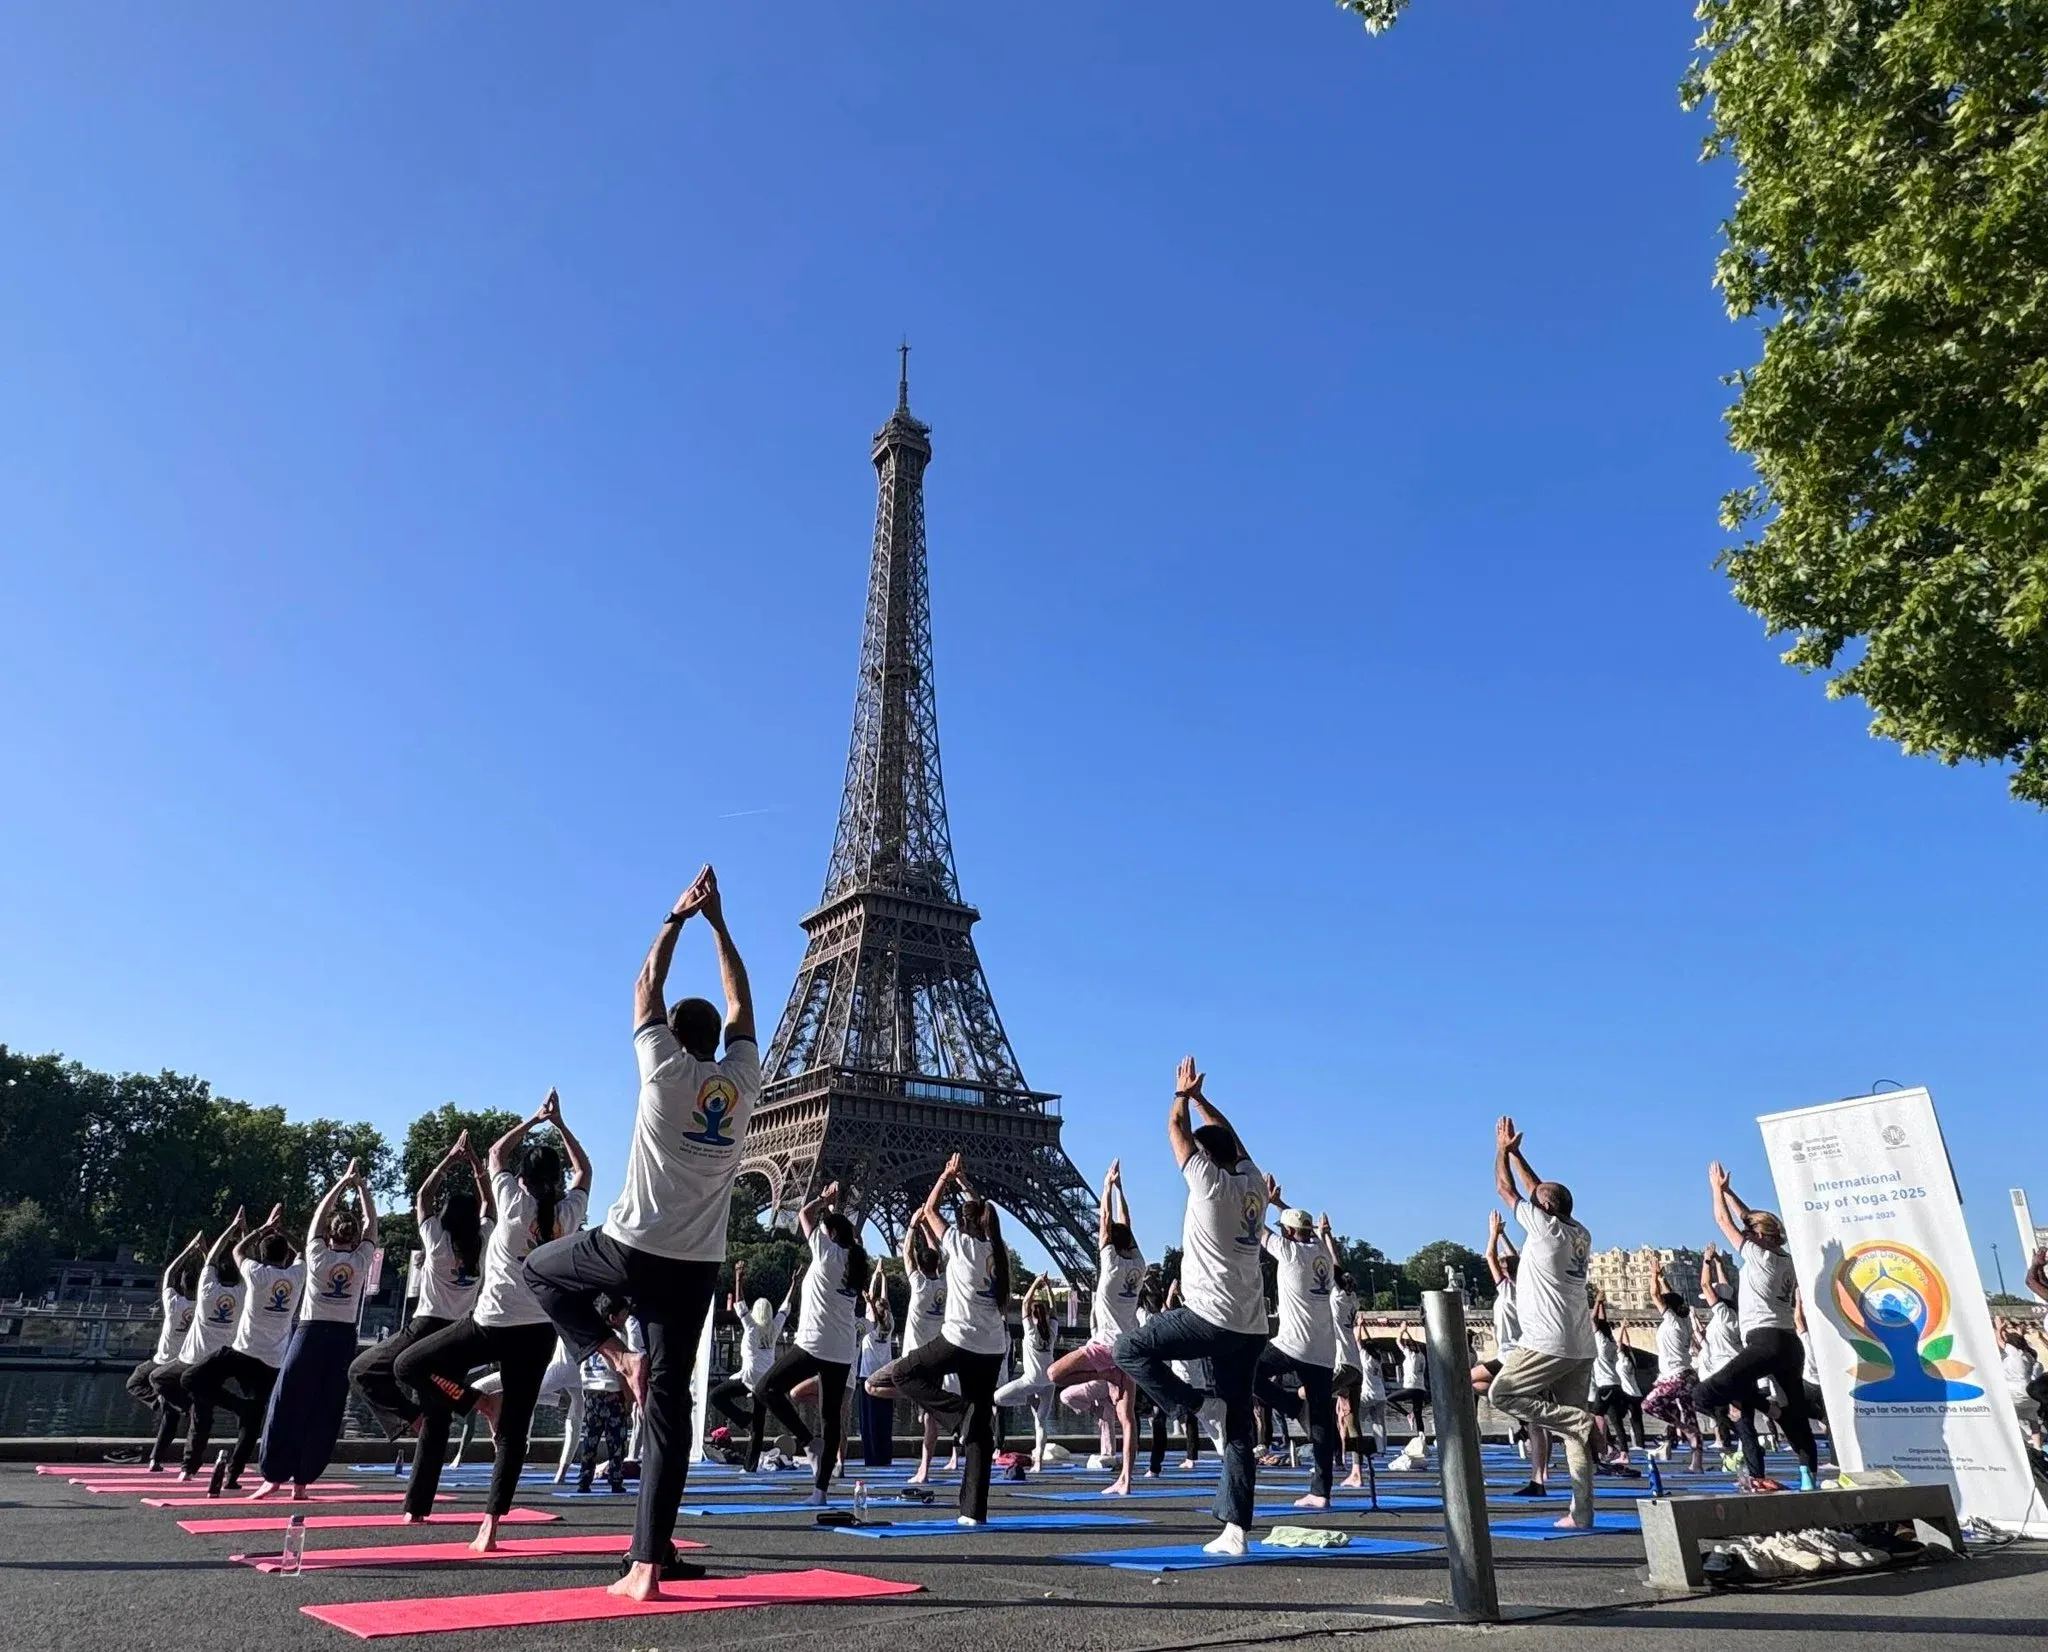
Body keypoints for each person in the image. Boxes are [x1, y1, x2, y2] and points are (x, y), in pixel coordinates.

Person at [525, 864, 759, 1600]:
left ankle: (608, 1350)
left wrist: (679, 916)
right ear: (715, 1040)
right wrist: (722, 923)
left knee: (539, 1271)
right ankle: (649, 1563)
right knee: (670, 1414)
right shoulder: (744, 1082)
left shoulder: (662, 1072)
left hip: (629, 1248)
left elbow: (641, 985)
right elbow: (742, 999)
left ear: (672, 1036)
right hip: (696, 1266)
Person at [395, 1091, 592, 1549]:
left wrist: (536, 1118)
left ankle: (476, 1402)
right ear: (555, 1182)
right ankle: (491, 1525)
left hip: (490, 1324)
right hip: (538, 1334)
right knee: (514, 1434)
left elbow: (495, 1153)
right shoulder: (568, 1214)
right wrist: (561, 1125)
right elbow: (583, 1172)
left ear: (521, 1180)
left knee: (409, 1365)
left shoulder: (511, 1204)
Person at [1113, 1056, 1271, 1557]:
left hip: (1209, 1313)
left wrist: (1182, 1095)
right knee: (1240, 1429)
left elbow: (1176, 1128)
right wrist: (1204, 1100)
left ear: (1206, 1156)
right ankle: (1235, 1531)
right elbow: (1233, 1138)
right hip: (1250, 1324)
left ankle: (1195, 1406)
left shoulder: (1208, 1183)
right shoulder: (1255, 1187)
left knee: (1129, 1348)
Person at [866, 1153, 1011, 1526]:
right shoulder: (999, 1251)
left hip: (959, 1339)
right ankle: (973, 1512)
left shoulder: (961, 1245)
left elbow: (930, 1208)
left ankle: (958, 1414)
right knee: (980, 1432)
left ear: (964, 1224)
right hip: (992, 1346)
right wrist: (965, 1184)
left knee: (904, 1374)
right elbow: (983, 1216)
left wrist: (946, 1177)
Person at [1483, 1115, 1598, 1529]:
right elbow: (1538, 1191)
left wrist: (1500, 1151)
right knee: (1573, 1438)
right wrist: (1518, 1152)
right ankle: (1581, 1513)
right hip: (1582, 1344)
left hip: (1547, 1339)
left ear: (1545, 1209)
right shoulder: (1579, 1231)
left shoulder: (1544, 1228)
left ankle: (1577, 1420)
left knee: (1502, 1394)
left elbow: (1507, 1190)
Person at [351, 1131, 491, 1443]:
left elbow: (423, 1198)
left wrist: (451, 1159)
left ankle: (423, 1415)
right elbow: (489, 1206)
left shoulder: (439, 1243)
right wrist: (477, 1168)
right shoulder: (483, 1242)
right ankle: (453, 1413)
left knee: (362, 1370)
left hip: (428, 1324)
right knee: (438, 1397)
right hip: (461, 1329)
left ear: (447, 1218)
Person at [250, 1162, 378, 1499]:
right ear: (353, 1237)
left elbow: (319, 1217)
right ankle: (302, 1482)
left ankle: (274, 1475)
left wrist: (342, 1182)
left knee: (287, 1400)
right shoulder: (362, 1258)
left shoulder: (317, 1252)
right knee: (327, 1406)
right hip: (342, 1336)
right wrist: (362, 1188)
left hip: (310, 1332)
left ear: (332, 1234)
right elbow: (372, 1224)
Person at [1692, 1162, 1818, 1491]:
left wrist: (1716, 1191)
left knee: (1704, 1394)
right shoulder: (1785, 1258)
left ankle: (1762, 1409)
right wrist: (1732, 1192)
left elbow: (1724, 1222)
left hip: (1764, 1341)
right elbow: (1751, 1221)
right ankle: (1808, 1478)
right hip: (1790, 1344)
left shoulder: (1757, 1255)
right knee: (1795, 1417)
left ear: (1758, 1236)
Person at [747, 1182, 867, 1503]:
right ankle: (820, 1491)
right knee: (831, 1420)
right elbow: (853, 1240)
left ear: (830, 1235)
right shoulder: (856, 1265)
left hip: (813, 1344)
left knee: (764, 1389)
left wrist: (824, 1201)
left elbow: (803, 1213)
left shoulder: (826, 1252)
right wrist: (837, 1216)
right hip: (841, 1351)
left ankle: (805, 1440)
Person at [183, 1205, 303, 1488]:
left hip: (242, 1351)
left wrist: (258, 1228)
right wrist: (282, 1230)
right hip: (271, 1360)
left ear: (261, 1256)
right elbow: (305, 1252)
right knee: (252, 1421)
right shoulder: (296, 1277)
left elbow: (237, 1252)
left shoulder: (256, 1273)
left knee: (190, 1378)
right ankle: (232, 1476)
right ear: (285, 1256)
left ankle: (237, 1407)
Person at [1049, 1160, 1145, 1494]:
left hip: (1106, 1345)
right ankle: (1127, 1480)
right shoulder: (1138, 1265)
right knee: (1127, 1417)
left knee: (1054, 1375)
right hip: (1132, 1347)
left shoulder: (1112, 1263)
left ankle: (1103, 1375)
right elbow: (1123, 1223)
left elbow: (1104, 1221)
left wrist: (1106, 1186)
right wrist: (1120, 1190)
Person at [1254, 1196, 1343, 1509]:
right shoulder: (1321, 1253)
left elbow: (1257, 1228)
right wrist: (1282, 1204)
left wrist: (1265, 1201)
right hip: (1324, 1348)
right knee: (1320, 1419)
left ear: (1289, 1233)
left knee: (1246, 1371)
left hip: (1293, 1342)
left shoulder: (1288, 1252)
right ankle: (1321, 1492)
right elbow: (1309, 1232)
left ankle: (1290, 1403)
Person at [158, 1213, 248, 1481]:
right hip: (218, 1362)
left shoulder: (206, 1290)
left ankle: (188, 1466)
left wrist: (231, 1228)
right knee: (201, 1414)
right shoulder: (243, 1293)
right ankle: (188, 1466)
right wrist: (242, 1234)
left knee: (159, 1378)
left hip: (194, 1360)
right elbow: (244, 1260)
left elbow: (210, 1261)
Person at [131, 1231, 204, 1472]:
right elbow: (210, 1279)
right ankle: (155, 1458)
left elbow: (169, 1273)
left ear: (182, 1286)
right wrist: (205, 1254)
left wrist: (188, 1250)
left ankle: (163, 1405)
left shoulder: (174, 1302)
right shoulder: (204, 1305)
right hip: (184, 1364)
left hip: (161, 1361)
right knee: (169, 1415)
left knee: (134, 1382)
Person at [707, 1261, 792, 1432]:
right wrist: (794, 1284)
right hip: (767, 1378)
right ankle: (754, 1454)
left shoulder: (752, 1326)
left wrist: (738, 1278)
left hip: (750, 1377)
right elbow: (785, 1307)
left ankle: (743, 1418)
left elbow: (740, 1304)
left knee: (716, 1397)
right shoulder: (774, 1328)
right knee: (758, 1421)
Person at [1640, 1258, 1706, 1473]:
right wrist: (1662, 1278)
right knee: (1689, 1414)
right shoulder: (1684, 1320)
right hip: (1687, 1376)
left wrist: (1653, 1275)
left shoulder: (1672, 1321)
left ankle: (1681, 1428)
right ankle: (1697, 1463)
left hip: (1674, 1376)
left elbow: (1655, 1295)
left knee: (1649, 1405)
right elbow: (1669, 1296)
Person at [899, 1224, 948, 1484]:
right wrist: (929, 1230)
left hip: (913, 1360)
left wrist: (911, 1227)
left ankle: (923, 1405)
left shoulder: (917, 1284)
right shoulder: (943, 1286)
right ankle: (925, 1469)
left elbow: (907, 1253)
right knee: (930, 1415)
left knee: (873, 1386)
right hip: (936, 1359)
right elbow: (933, 1256)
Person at [994, 1273, 1060, 1468]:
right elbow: (1054, 1309)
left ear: (1032, 1317)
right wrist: (1047, 1288)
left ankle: (1024, 1400)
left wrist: (1036, 1282)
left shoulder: (1030, 1331)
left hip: (1030, 1380)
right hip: (1048, 1383)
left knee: (997, 1398)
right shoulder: (1052, 1331)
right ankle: (1038, 1462)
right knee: (1040, 1422)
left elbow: (1024, 1304)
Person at [576, 1303, 637, 1495]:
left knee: (590, 1439)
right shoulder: (616, 1338)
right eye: (623, 1315)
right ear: (613, 1317)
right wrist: (628, 1396)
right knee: (616, 1440)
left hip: (591, 1391)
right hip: (611, 1392)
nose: (626, 1319)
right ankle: (615, 1480)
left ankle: (584, 1480)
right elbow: (621, 1368)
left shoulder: (587, 1336)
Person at [856, 1271, 897, 1467]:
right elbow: (883, 1301)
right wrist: (883, 1279)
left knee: (869, 1422)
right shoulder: (890, 1324)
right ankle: (885, 1456)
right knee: (885, 1421)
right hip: (886, 1376)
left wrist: (875, 1278)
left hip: (868, 1377)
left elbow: (874, 1305)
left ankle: (872, 1458)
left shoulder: (870, 1325)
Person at [1328, 1267, 1363, 1479]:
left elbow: (1331, 1267)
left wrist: (1324, 1239)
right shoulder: (1352, 1300)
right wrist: (1327, 1235)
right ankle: (1356, 1470)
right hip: (1356, 1365)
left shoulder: (1336, 1298)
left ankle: (1334, 1458)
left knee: (1313, 1397)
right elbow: (1337, 1266)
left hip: (1342, 1362)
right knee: (1353, 1422)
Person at [1386, 1327, 1430, 1443]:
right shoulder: (1421, 1356)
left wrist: (1402, 1330)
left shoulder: (1410, 1354)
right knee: (1418, 1414)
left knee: (1388, 1399)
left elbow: (1397, 1341)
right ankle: (1421, 1437)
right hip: (1421, 1389)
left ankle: (1407, 1415)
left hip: (1410, 1387)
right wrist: (1407, 1333)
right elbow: (1414, 1344)